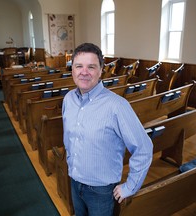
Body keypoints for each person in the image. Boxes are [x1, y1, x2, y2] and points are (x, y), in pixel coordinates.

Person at [62, 43, 153, 216]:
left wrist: (130, 186)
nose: (84, 72)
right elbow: (69, 138)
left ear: (101, 70)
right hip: (74, 181)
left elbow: (144, 148)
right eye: (79, 66)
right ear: (72, 69)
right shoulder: (68, 100)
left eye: (91, 67)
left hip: (101, 191)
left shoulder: (117, 106)